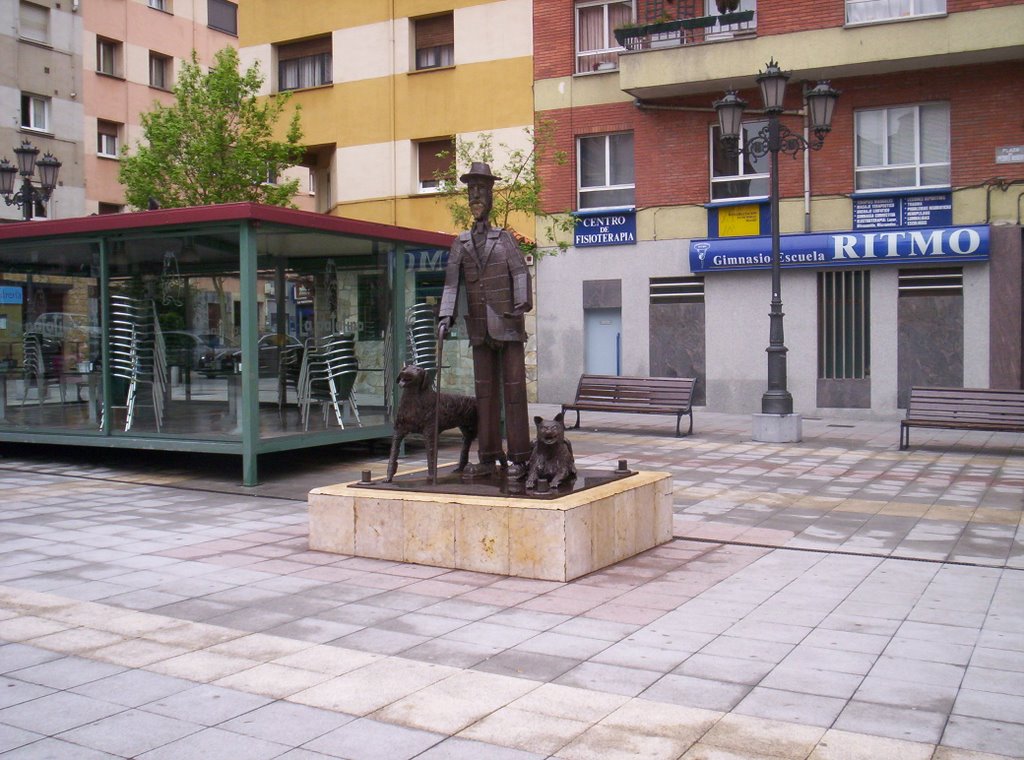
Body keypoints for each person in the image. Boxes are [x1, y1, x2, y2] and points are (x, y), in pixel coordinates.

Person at [438, 162, 532, 478]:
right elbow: (452, 284)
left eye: (481, 190)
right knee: (485, 394)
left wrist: (523, 301)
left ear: (491, 195)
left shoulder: (504, 239)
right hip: (479, 326)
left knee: (515, 391)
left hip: (508, 322)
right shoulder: (460, 242)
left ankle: (520, 455)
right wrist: (444, 316)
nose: (476, 196)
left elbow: (520, 272)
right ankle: (488, 454)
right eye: (471, 191)